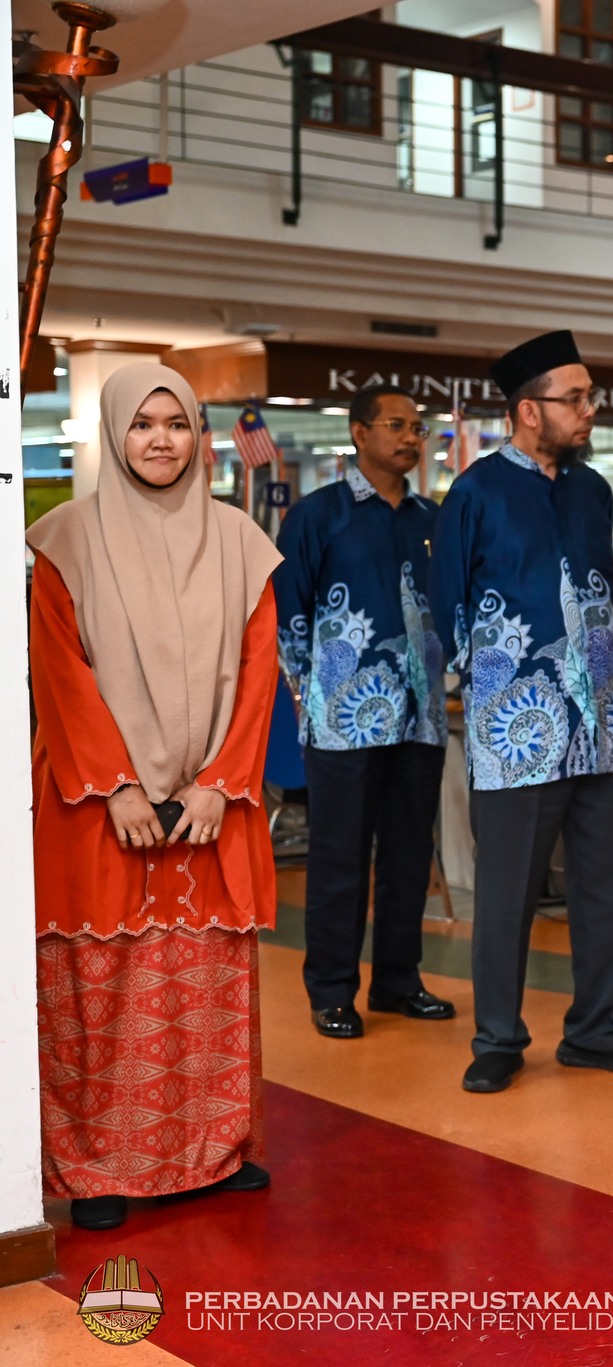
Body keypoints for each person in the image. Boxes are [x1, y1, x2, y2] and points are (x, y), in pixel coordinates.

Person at [28, 364, 283, 1232]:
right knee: (101, 987)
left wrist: (220, 782)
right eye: (143, 424)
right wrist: (118, 784)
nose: (162, 440)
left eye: (177, 422)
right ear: (113, 434)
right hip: (98, 804)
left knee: (205, 977)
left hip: (215, 802)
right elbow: (60, 677)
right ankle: (99, 1166)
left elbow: (259, 678)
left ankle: (211, 1152)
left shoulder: (242, 541)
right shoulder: (64, 541)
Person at [428, 330, 613, 1095]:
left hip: (610, 729)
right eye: (576, 398)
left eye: (590, 396)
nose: (590, 410)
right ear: (530, 411)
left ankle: (598, 1031)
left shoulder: (593, 492)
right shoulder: (475, 492)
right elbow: (446, 606)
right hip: (518, 731)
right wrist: (490, 688)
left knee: (607, 887)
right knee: (508, 893)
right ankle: (498, 1036)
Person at [275, 383, 453, 1041]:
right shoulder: (318, 516)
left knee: (409, 852)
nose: (410, 437)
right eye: (395, 424)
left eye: (417, 427)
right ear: (359, 432)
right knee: (340, 856)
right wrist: (314, 698)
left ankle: (399, 980)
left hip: (423, 717)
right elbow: (287, 612)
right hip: (345, 720)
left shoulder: (432, 521)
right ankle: (331, 989)